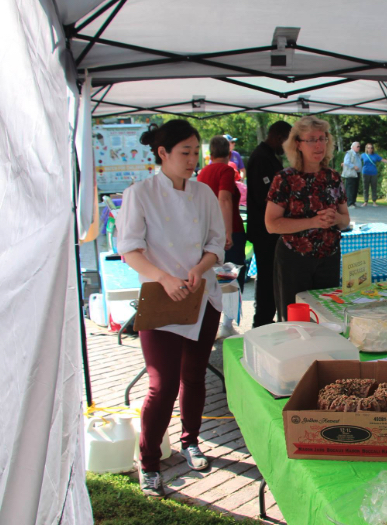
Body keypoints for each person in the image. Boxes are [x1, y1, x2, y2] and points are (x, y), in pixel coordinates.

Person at [116, 120, 225, 497]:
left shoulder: (204, 194)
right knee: (161, 385)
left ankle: (191, 439)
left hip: (201, 295)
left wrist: (198, 269)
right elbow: (130, 248)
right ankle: (149, 462)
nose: (193, 160)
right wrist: (163, 278)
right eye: (185, 153)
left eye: (196, 152)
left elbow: (217, 242)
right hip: (162, 298)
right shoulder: (140, 194)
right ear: (162, 153)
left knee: (194, 376)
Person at [266, 116, 350, 321]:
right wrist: (313, 222)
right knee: (296, 322)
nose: (319, 144)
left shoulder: (333, 177)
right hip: (295, 260)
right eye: (312, 139)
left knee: (328, 319)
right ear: (298, 144)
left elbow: (346, 220)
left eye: (323, 138)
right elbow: (271, 224)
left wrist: (336, 218)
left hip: (329, 258)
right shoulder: (284, 179)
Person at [196, 135, 246, 338]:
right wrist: (227, 232)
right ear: (228, 153)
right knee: (231, 278)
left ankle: (213, 322)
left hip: (206, 232)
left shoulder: (202, 172)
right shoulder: (226, 170)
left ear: (210, 153)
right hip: (229, 229)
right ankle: (227, 323)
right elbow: (224, 198)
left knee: (213, 278)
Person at [246, 120, 292, 328]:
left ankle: (266, 318)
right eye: (287, 142)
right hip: (264, 231)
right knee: (267, 277)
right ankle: (262, 321)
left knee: (272, 276)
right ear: (279, 137)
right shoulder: (261, 158)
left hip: (270, 230)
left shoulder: (269, 157)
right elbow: (263, 197)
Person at [341, 141, 362, 208]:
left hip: (357, 173)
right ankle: (349, 203)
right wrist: (353, 166)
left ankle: (353, 202)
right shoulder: (349, 153)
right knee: (350, 188)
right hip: (351, 173)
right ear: (353, 147)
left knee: (355, 188)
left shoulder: (358, 154)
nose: (359, 148)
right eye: (357, 146)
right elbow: (346, 162)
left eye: (359, 146)